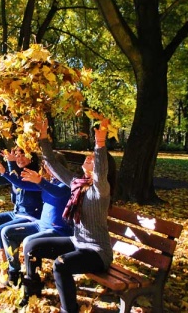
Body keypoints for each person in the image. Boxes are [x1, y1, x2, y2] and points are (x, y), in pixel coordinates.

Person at [20, 118, 117, 313]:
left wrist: (100, 144)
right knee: (31, 246)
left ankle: (69, 310)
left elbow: (101, 172)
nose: (88, 159)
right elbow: (53, 165)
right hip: (77, 241)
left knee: (61, 264)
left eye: (92, 158)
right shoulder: (76, 184)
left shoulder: (100, 190)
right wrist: (44, 137)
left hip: (97, 252)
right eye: (88, 157)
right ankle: (31, 292)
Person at [0, 152, 72, 286]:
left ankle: (33, 279)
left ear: (59, 166)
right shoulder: (49, 181)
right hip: (41, 225)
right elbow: (22, 184)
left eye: (49, 165)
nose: (47, 168)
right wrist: (3, 171)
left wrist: (40, 181)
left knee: (29, 241)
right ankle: (14, 273)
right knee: (6, 232)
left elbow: (57, 192)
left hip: (57, 230)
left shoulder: (67, 184)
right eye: (45, 165)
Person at [0, 148, 43, 275]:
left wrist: (10, 164)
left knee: (1, 230)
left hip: (31, 217)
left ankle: (7, 269)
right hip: (16, 213)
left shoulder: (35, 174)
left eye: (23, 155)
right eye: (17, 155)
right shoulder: (16, 171)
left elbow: (20, 183)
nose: (19, 158)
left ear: (31, 157)